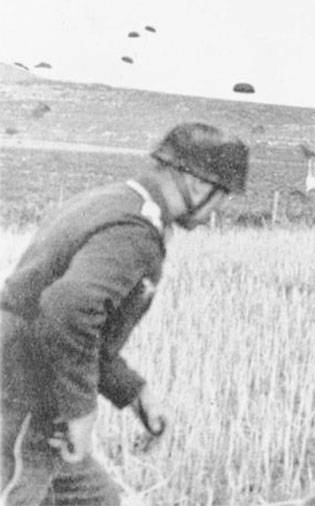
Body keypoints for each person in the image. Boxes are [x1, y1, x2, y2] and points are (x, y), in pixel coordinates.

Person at [0, 122, 249, 504]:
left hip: (34, 389)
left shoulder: (116, 202)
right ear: (199, 184)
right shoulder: (134, 230)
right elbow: (67, 310)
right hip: (21, 398)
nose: (219, 209)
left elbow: (83, 328)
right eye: (223, 195)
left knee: (96, 499)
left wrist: (134, 392)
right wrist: (80, 412)